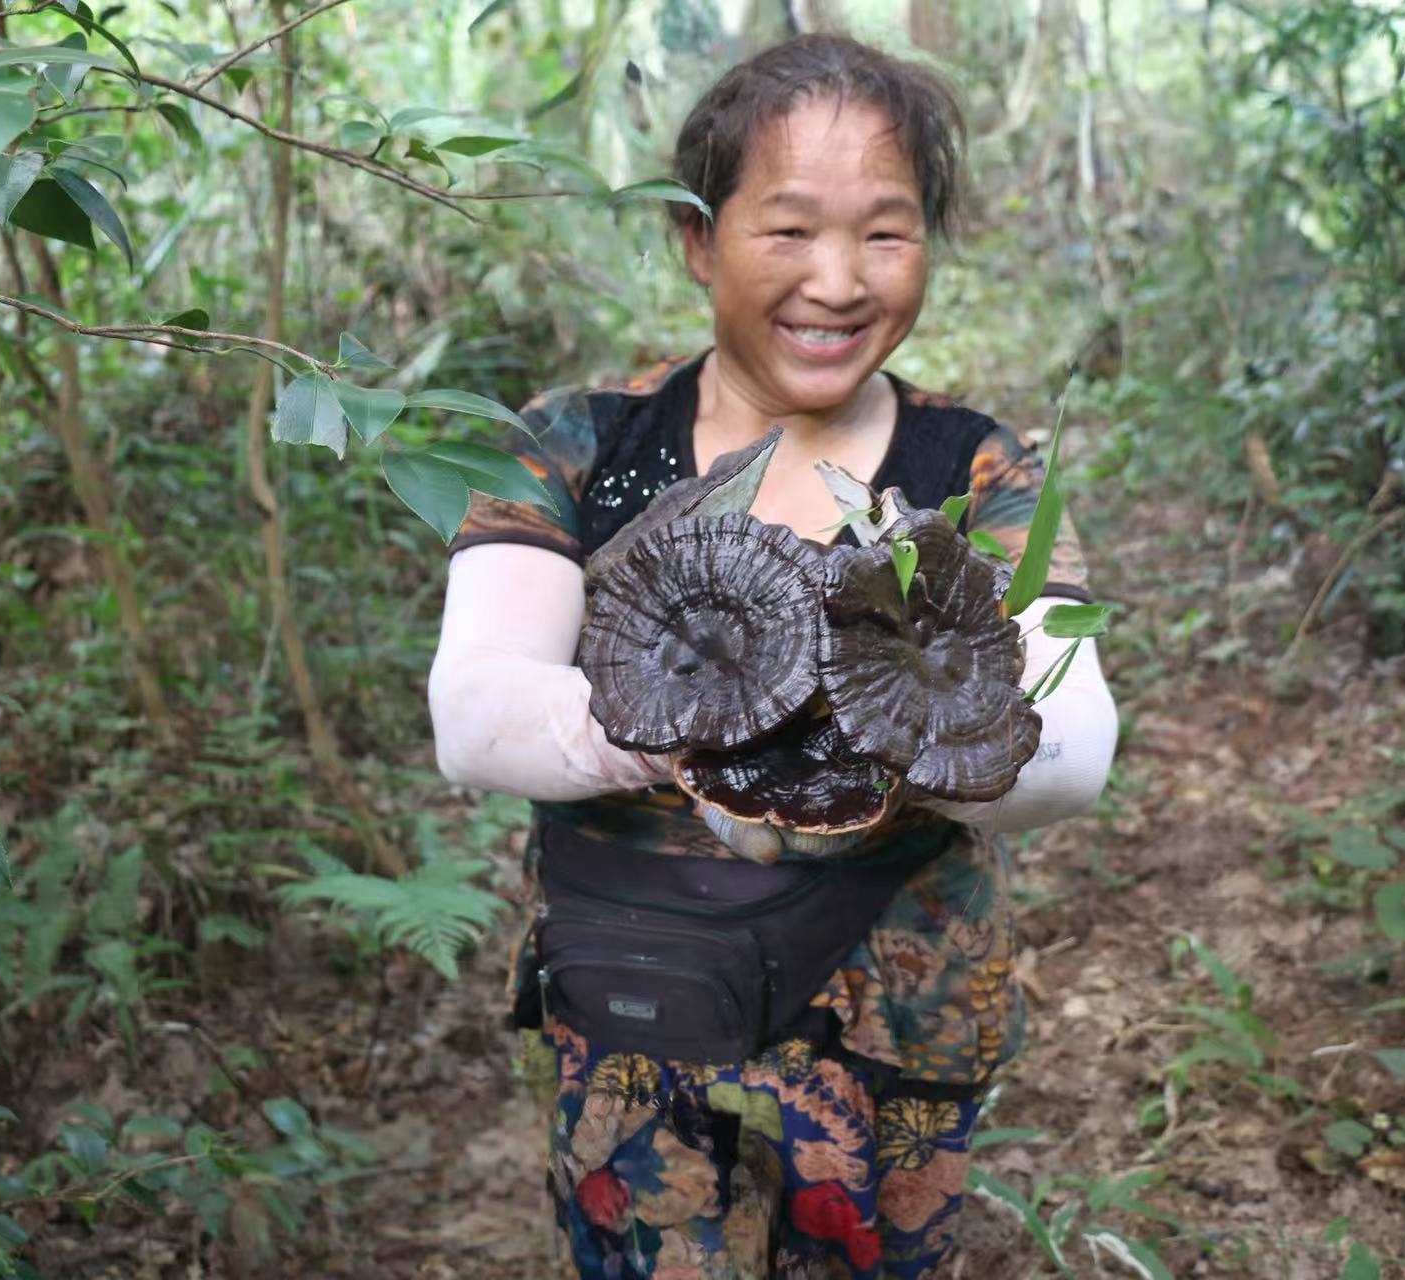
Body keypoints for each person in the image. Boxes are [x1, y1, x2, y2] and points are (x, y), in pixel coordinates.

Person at [427, 33, 1119, 1279]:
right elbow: (476, 709)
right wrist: (675, 713)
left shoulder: (976, 470)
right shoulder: (580, 443)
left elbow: (1070, 744)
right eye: (789, 229)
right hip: (638, 1008)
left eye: (887, 233)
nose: (839, 281)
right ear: (699, 238)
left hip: (890, 1023)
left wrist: (883, 725)